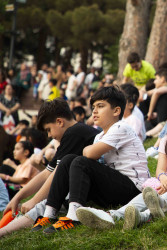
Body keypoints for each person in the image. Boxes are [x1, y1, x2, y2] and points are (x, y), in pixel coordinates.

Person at [75, 94, 167, 230]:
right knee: (144, 196)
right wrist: (163, 178)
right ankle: (111, 215)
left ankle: (144, 216)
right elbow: (160, 169)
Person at [32, 86, 149, 234]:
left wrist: (87, 151)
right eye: (93, 107)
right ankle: (49, 214)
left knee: (81, 162)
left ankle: (74, 216)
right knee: (68, 160)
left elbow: (89, 154)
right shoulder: (99, 137)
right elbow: (90, 154)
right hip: (114, 187)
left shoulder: (121, 127)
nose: (94, 111)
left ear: (116, 111)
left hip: (133, 189)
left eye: (100, 106)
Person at [0, 98, 98, 238]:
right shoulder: (72, 134)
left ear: (59, 121)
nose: (49, 135)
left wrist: (34, 201)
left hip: (90, 189)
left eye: (48, 130)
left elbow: (56, 175)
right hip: (85, 185)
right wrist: (17, 197)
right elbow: (47, 172)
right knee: (45, 202)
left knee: (45, 204)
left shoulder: (74, 133)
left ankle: (3, 233)